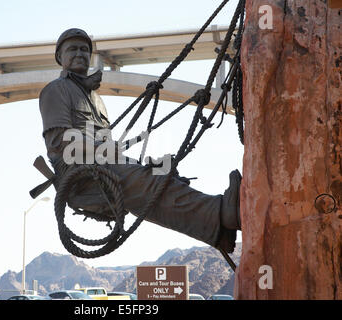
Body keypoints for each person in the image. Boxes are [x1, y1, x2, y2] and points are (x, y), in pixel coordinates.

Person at [38, 28, 241, 253]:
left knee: (161, 173)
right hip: (79, 176)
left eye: (84, 49)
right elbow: (61, 143)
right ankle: (221, 213)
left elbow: (109, 151)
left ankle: (218, 228)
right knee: (145, 176)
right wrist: (111, 154)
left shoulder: (97, 100)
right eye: (72, 49)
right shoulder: (55, 90)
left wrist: (130, 160)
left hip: (102, 167)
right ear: (60, 57)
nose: (79, 53)